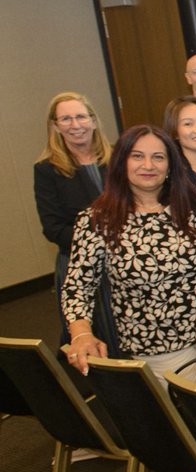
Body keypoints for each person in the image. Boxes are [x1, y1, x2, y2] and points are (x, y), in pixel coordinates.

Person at [62, 125, 196, 388]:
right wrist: (81, 334)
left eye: (158, 157)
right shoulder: (97, 219)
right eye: (137, 156)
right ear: (121, 162)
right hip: (158, 344)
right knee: (193, 418)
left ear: (170, 165)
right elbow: (78, 286)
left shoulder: (194, 206)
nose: (148, 165)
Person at [33, 92, 122, 356]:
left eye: (81, 116)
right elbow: (53, 228)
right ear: (56, 126)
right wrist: (100, 243)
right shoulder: (47, 170)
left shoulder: (118, 158)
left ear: (94, 121)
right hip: (79, 264)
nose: (75, 124)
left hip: (124, 258)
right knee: (99, 337)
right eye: (66, 118)